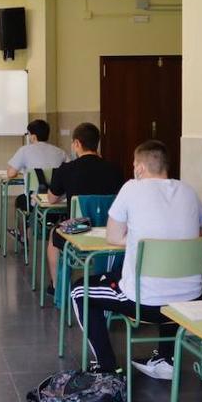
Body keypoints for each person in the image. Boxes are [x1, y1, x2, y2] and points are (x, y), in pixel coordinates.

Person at [68, 140, 202, 377]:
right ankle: (166, 359)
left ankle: (107, 367)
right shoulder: (188, 191)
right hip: (190, 300)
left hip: (145, 303)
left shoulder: (132, 188)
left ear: (139, 168)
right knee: (172, 279)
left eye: (134, 164)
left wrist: (138, 242)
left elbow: (113, 236)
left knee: (80, 291)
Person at [44, 122, 125, 288]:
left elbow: (51, 199)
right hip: (109, 230)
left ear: (77, 144)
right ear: (97, 144)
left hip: (79, 231)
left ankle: (57, 285)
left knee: (54, 234)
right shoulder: (115, 169)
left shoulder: (66, 169)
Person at [5, 119, 68, 212]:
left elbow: (10, 174)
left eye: (29, 134)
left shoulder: (24, 150)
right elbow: (69, 170)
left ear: (33, 137)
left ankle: (29, 225)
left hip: (33, 200)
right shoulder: (60, 152)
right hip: (59, 199)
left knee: (20, 200)